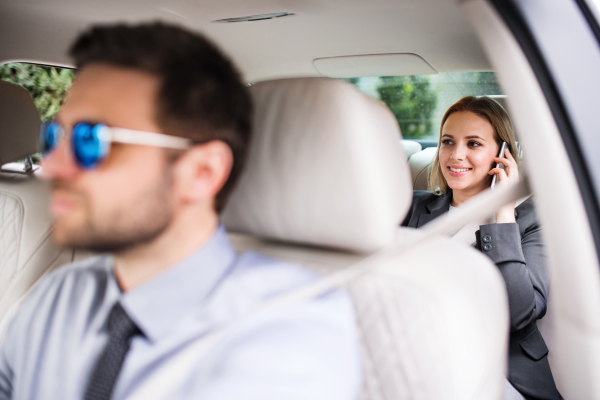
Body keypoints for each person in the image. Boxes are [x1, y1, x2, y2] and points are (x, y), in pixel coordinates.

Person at [0, 23, 361, 399]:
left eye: (90, 140)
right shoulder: (57, 296)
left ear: (202, 172)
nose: (52, 166)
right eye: (54, 137)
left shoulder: (287, 332)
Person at [402, 96, 561, 400]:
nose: (455, 155)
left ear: (502, 154)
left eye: (473, 144)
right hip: (414, 360)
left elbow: (518, 314)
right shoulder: (411, 205)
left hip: (496, 373)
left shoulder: (534, 221)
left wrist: (502, 215)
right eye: (448, 142)